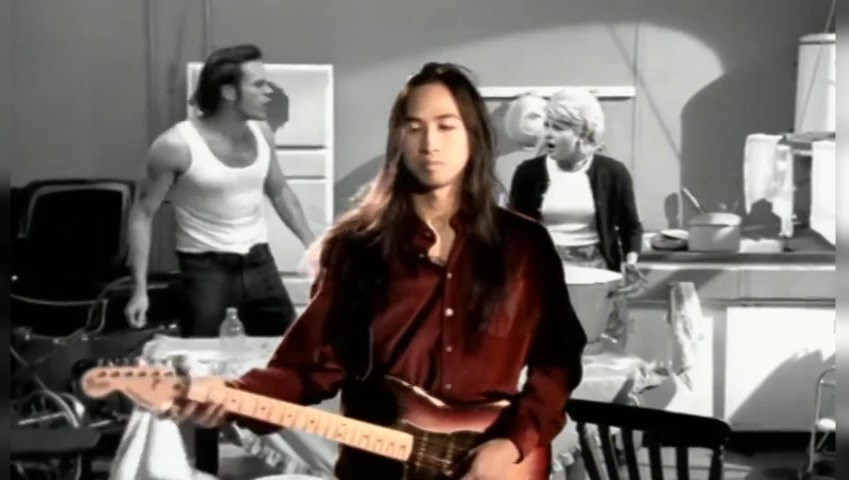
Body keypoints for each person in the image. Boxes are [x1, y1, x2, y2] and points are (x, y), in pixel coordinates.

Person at [167, 62, 588, 480]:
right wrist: (231, 396)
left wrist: (513, 442)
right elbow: (309, 366)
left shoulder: (524, 246)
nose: (430, 144)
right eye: (414, 127)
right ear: (397, 139)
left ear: (473, 136)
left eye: (446, 126)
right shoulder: (356, 246)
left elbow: (558, 360)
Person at [125, 44, 315, 337]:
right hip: (204, 267)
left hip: (258, 260)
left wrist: (312, 245)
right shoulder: (175, 146)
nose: (269, 92)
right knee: (202, 353)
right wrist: (139, 291)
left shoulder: (263, 133)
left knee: (287, 346)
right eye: (259, 85)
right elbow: (142, 214)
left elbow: (280, 192)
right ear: (228, 92)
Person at [509, 88, 644, 346]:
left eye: (559, 127)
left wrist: (631, 263)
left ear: (583, 133)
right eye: (547, 125)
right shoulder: (528, 173)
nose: (548, 134)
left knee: (598, 351)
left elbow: (631, 228)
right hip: (544, 274)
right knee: (546, 351)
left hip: (597, 278)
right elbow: (514, 233)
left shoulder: (613, 173)